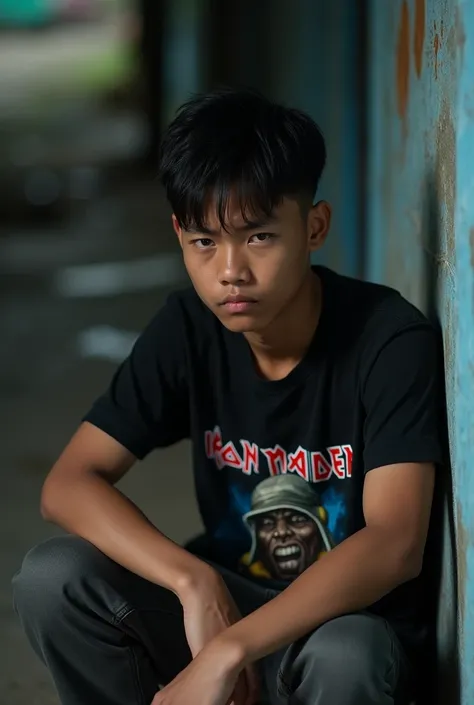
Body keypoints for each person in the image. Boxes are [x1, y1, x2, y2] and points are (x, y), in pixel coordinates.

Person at [12, 88, 443, 705]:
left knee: (348, 656)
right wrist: (192, 584)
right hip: (226, 598)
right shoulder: (189, 328)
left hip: (342, 625)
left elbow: (395, 544)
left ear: (313, 226)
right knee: (54, 578)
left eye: (259, 237)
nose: (229, 271)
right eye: (203, 242)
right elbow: (69, 484)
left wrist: (228, 651)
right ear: (179, 237)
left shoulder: (388, 340)